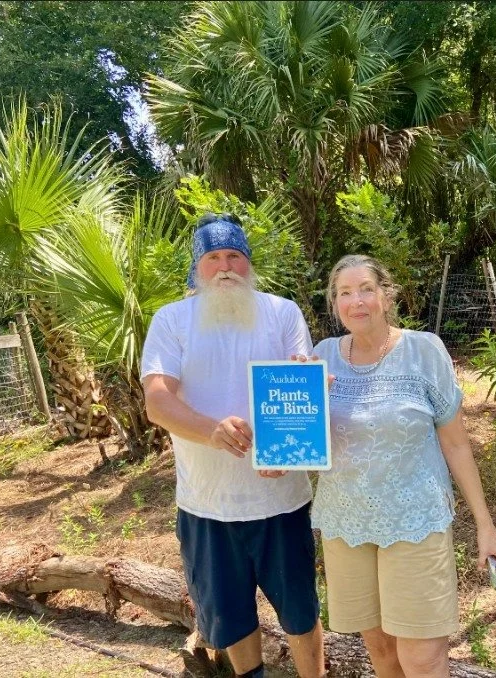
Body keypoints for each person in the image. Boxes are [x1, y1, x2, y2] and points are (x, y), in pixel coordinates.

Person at [141, 213, 324, 678]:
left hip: (280, 499)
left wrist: (290, 451)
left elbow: (300, 389)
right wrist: (211, 430)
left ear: (249, 264)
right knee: (231, 617)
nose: (225, 266)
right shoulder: (172, 320)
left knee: (301, 613)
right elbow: (157, 402)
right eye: (213, 257)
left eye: (235, 256)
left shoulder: (282, 312)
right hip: (207, 504)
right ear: (197, 267)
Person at [311, 254, 496, 678]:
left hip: (414, 520)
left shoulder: (424, 350)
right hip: (347, 524)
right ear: (335, 304)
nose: (356, 301)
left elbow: (456, 444)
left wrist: (485, 525)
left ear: (386, 296)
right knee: (382, 653)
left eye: (366, 288)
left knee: (422, 659)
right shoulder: (321, 357)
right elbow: (312, 446)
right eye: (344, 293)